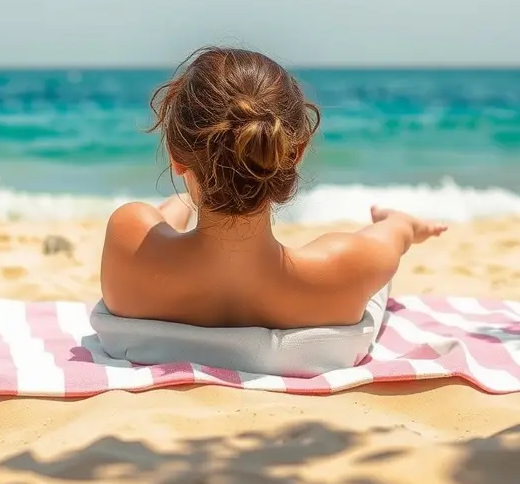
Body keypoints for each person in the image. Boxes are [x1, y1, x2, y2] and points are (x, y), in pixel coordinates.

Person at [100, 47, 446, 329]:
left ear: (177, 157)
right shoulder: (342, 269)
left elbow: (158, 223)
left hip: (182, 203)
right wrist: (400, 222)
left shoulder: (129, 239)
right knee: (391, 226)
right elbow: (394, 236)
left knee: (165, 210)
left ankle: (187, 196)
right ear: (294, 153)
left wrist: (187, 201)